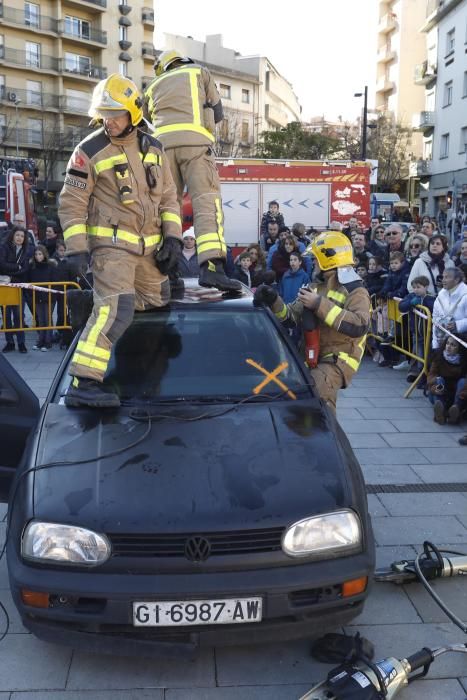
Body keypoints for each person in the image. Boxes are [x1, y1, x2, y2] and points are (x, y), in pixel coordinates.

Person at [58, 74, 182, 408]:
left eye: (115, 114)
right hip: (111, 251)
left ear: (134, 114)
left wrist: (173, 239)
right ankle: (84, 382)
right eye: (103, 115)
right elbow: (71, 204)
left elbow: (169, 197)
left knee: (161, 302)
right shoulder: (88, 151)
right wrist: (77, 249)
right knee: (116, 309)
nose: (108, 122)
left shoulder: (155, 147)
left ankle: (141, 367)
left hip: (149, 251)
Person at [144, 50, 239, 292]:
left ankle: (169, 269)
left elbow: (144, 122)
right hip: (196, 145)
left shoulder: (152, 86)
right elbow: (217, 113)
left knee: (167, 207)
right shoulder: (198, 72)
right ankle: (212, 268)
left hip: (161, 149)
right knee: (206, 202)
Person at [254, 231, 370, 413]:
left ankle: (327, 439)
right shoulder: (314, 286)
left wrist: (319, 304)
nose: (313, 262)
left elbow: (359, 325)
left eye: (316, 258)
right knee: (303, 403)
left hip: (338, 360)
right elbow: (289, 317)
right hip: (312, 356)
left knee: (316, 395)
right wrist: (273, 299)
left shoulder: (356, 291)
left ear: (328, 259)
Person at [0, 226, 34, 353]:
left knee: (19, 315)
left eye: (22, 236)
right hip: (5, 287)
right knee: (6, 315)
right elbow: (1, 265)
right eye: (17, 235)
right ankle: (9, 342)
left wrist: (12, 272)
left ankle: (21, 343)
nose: (19, 238)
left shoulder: (27, 250)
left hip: (19, 286)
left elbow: (25, 268)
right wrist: (16, 267)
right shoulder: (4, 247)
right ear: (13, 236)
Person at [398, 275, 435, 382]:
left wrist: (425, 302)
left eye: (418, 287)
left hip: (428, 332)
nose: (416, 289)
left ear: (426, 287)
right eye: (414, 287)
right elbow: (401, 306)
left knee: (427, 353)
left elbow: (434, 308)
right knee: (417, 352)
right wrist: (411, 303)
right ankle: (414, 373)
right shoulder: (411, 296)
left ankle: (425, 374)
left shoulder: (431, 298)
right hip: (416, 331)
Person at [427, 335, 467, 425]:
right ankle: (440, 413)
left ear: (460, 348)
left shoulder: (464, 361)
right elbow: (430, 377)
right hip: (440, 392)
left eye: (453, 345)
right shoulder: (438, 357)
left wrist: (463, 394)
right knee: (439, 379)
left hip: (457, 395)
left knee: (463, 382)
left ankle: (455, 410)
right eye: (447, 343)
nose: (448, 346)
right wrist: (435, 388)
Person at [27, 245, 57, 351]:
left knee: (48, 319)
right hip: (37, 296)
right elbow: (29, 280)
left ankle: (48, 342)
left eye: (40, 254)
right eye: (36, 254)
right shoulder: (32, 267)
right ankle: (40, 341)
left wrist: (53, 295)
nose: (37, 256)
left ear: (44, 254)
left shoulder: (51, 266)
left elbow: (55, 282)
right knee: (41, 319)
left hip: (49, 297)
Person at [431, 267, 467, 350]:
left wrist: (457, 325)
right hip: (442, 343)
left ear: (457, 279)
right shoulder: (441, 295)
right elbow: (435, 320)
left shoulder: (465, 295)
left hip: (461, 345)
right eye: (443, 277)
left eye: (447, 277)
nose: (443, 280)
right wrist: (435, 344)